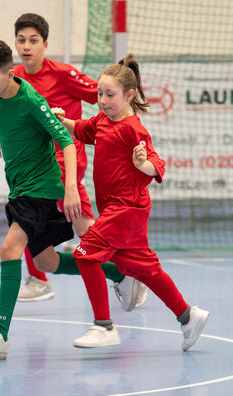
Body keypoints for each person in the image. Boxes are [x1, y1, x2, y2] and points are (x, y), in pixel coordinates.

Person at [0, 13, 147, 310]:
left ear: (45, 44)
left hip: (66, 167)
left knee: (87, 232)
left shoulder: (61, 74)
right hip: (38, 168)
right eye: (21, 40)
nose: (26, 46)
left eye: (33, 40)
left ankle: (129, 274)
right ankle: (42, 278)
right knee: (31, 223)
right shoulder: (8, 76)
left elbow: (104, 96)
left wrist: (117, 127)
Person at [52, 54, 209, 350]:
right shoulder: (102, 121)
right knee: (141, 268)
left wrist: (143, 165)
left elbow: (156, 163)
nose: (102, 100)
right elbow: (81, 129)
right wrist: (64, 120)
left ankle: (104, 326)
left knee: (85, 255)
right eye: (99, 93)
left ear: (129, 95)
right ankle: (189, 316)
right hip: (115, 209)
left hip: (127, 208)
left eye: (109, 94)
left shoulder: (133, 128)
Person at [0, 39, 81, 360]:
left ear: (8, 72)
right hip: (19, 188)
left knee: (9, 249)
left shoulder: (30, 99)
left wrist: (71, 187)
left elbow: (66, 141)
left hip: (40, 187)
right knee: (46, 262)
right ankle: (118, 275)